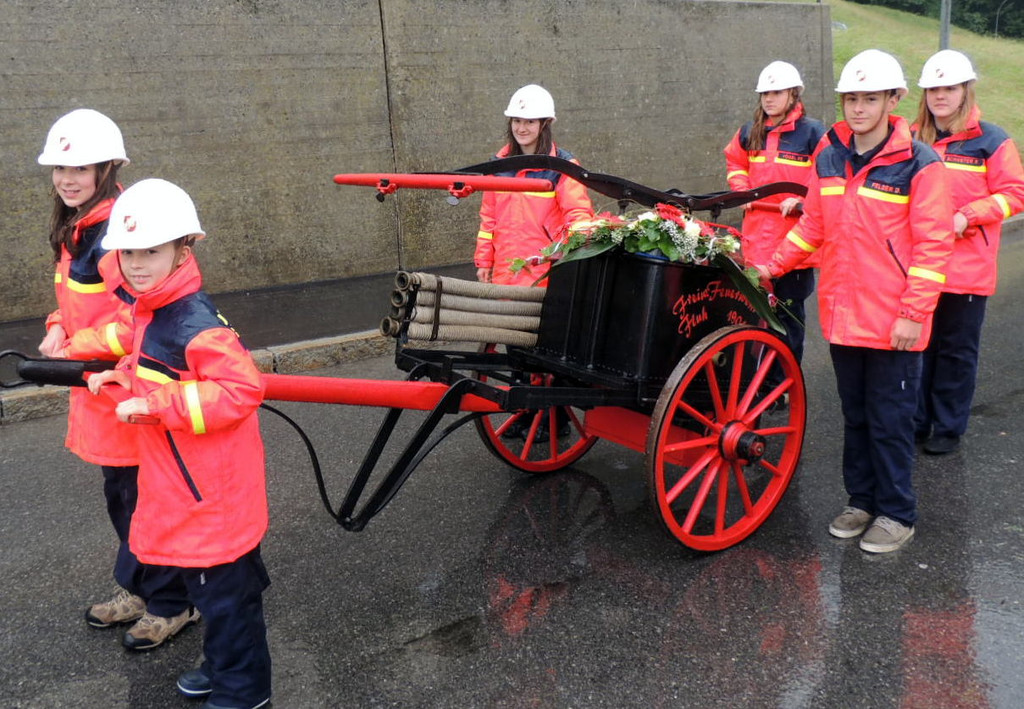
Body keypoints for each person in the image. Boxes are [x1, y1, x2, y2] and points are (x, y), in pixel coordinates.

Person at [754, 50, 955, 553]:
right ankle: (861, 501)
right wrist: (771, 267)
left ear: (893, 100)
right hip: (844, 317)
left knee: (891, 421)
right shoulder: (829, 157)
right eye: (851, 99)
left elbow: (933, 246)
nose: (859, 108)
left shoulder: (920, 164)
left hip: (894, 322)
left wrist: (913, 314)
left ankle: (897, 513)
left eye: (870, 98)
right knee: (857, 416)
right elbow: (812, 228)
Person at [87, 179, 271, 709]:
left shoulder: (193, 322)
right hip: (190, 487)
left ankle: (245, 691)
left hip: (212, 494)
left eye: (151, 251)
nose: (136, 264)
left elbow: (241, 390)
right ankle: (221, 667)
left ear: (183, 250)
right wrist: (123, 376)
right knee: (211, 594)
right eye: (128, 253)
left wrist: (156, 405)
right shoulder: (155, 309)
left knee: (228, 600)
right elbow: (158, 368)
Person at [36, 108, 197, 649]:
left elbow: (136, 318)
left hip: (129, 387)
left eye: (80, 168)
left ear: (107, 169)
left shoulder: (115, 233)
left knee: (147, 500)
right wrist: (57, 327)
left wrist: (75, 347)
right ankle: (142, 588)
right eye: (61, 168)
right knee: (124, 498)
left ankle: (174, 603)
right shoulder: (80, 227)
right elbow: (74, 301)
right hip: (101, 389)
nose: (67, 179)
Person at [911, 50, 1024, 455]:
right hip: (919, 265)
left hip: (967, 267)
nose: (940, 95)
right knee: (918, 346)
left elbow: (1015, 193)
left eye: (949, 88)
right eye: (933, 89)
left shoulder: (991, 140)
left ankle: (948, 427)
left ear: (965, 91)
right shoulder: (912, 138)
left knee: (955, 352)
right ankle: (917, 421)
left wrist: (968, 215)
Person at [724, 61, 826, 388]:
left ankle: (783, 384)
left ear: (793, 94)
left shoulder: (813, 133)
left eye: (776, 92)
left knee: (787, 319)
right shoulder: (749, 131)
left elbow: (827, 176)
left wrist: (802, 199)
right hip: (757, 242)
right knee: (754, 316)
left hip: (795, 246)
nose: (769, 98)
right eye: (765, 93)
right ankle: (756, 382)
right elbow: (735, 163)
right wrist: (742, 190)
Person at [474, 83, 595, 287]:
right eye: (517, 121)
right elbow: (488, 220)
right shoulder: (498, 165)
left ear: (545, 123)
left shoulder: (563, 167)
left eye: (530, 122)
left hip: (546, 272)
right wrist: (484, 261)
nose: (521, 129)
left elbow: (578, 215)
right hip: (506, 270)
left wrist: (576, 260)